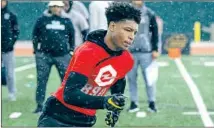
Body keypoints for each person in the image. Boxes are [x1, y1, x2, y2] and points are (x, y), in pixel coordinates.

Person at [37, 2, 141, 127]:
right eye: (128, 30)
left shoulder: (127, 59)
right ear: (112, 26)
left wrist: (115, 110)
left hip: (85, 121)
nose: (131, 37)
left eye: (134, 32)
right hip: (58, 118)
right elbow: (69, 95)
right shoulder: (88, 51)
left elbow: (118, 86)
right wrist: (105, 102)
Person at [32, 1, 75, 113]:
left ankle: (66, 104)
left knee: (65, 81)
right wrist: (36, 50)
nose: (56, 8)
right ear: (50, 7)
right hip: (44, 55)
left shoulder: (67, 20)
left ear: (62, 8)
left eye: (58, 6)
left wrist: (71, 50)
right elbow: (35, 35)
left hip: (62, 55)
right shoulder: (42, 19)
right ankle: (39, 105)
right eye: (54, 6)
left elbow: (72, 36)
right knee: (41, 80)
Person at [127, 0, 159, 113]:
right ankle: (134, 103)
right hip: (130, 52)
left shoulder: (149, 13)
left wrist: (155, 49)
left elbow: (155, 32)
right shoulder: (127, 13)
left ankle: (152, 103)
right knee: (131, 79)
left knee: (149, 79)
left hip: (146, 51)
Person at [1, 0, 19, 101]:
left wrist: (10, 44)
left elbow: (16, 31)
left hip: (8, 50)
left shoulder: (11, 15)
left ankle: (12, 92)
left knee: (9, 73)